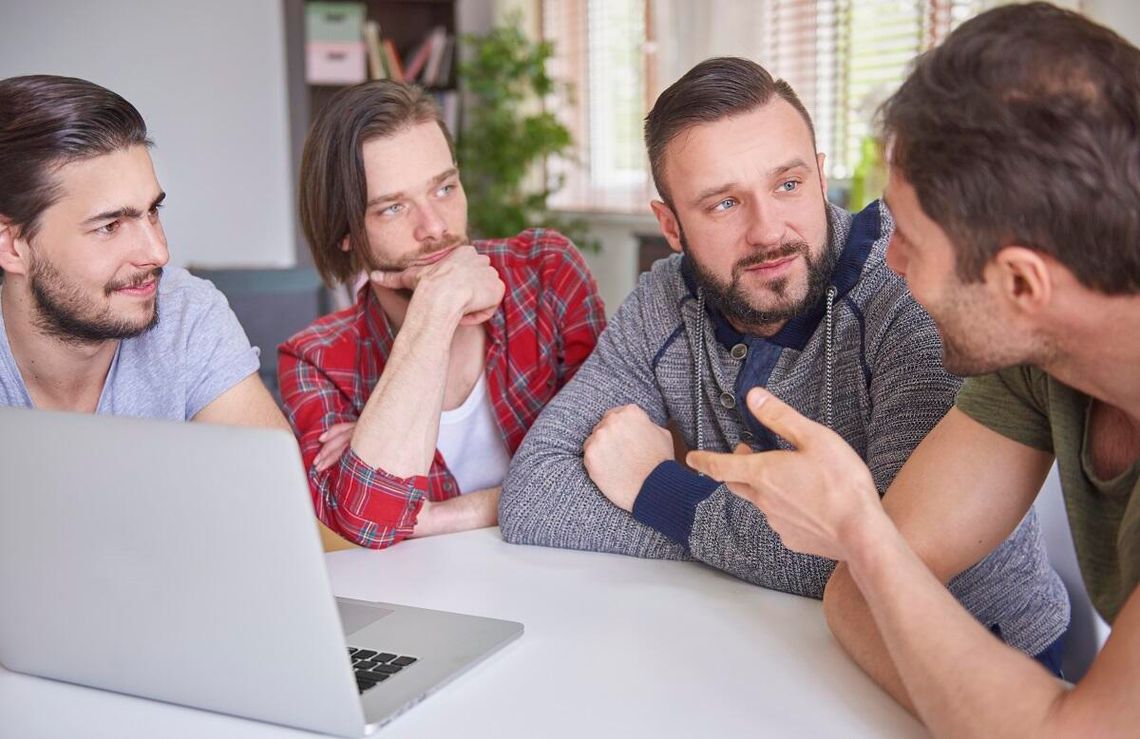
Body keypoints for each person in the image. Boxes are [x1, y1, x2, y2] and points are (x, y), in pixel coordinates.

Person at [499, 56, 1069, 670]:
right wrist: (759, 534)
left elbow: (887, 556)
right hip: (765, 651)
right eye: (723, 204)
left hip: (983, 662)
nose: (769, 231)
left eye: (788, 184)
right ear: (670, 224)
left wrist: (655, 488)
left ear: (821, 178)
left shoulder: (909, 291)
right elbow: (535, 495)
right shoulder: (662, 298)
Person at [688, 5, 1140, 734]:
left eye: (914, 242)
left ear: (1022, 284)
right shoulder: (1040, 354)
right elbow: (860, 591)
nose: (887, 259)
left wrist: (858, 529)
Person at [278, 80, 606, 549]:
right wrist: (435, 310)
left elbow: (612, 471)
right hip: (435, 607)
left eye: (445, 188)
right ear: (344, 233)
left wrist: (438, 515)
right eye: (393, 208)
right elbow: (369, 520)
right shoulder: (315, 360)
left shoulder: (545, 271)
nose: (435, 227)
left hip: (573, 577)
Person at [0, 74, 284, 429]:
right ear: (11, 246)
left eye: (152, 212)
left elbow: (267, 480)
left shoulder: (187, 312)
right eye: (109, 226)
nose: (158, 253)